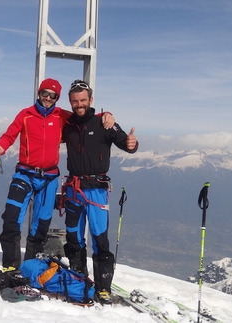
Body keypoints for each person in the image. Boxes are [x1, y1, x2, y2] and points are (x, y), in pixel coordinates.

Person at [0, 78, 114, 273]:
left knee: (41, 223)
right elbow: (10, 135)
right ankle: (10, 265)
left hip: (48, 177)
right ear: (39, 94)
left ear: (57, 97)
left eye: (52, 95)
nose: (48, 98)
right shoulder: (25, 115)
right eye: (44, 94)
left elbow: (84, 117)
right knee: (11, 218)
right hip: (25, 174)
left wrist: (106, 115)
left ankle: (31, 266)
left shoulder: (61, 116)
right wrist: (0, 147)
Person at [61, 79, 138, 305]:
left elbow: (126, 143)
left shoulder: (105, 123)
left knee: (99, 238)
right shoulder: (67, 124)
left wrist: (133, 144)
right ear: (70, 102)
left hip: (96, 189)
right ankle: (78, 280)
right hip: (74, 188)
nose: (79, 104)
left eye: (83, 100)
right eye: (75, 101)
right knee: (74, 237)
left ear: (91, 100)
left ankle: (103, 288)